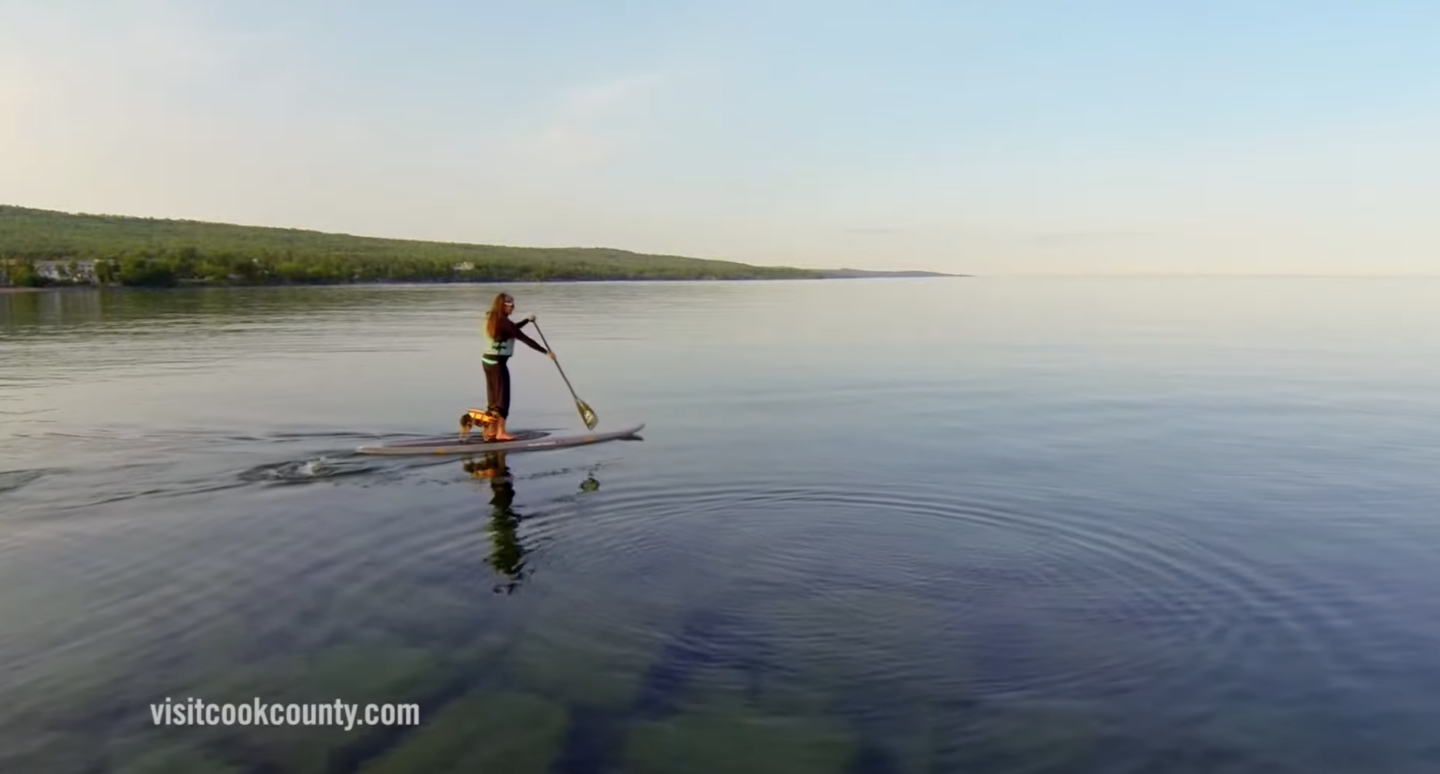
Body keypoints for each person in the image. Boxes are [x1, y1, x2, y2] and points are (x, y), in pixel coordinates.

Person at [481, 292, 553, 441]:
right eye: (510, 306)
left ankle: (491, 431)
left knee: (493, 399)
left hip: (487, 362)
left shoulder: (493, 318)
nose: (513, 308)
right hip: (498, 364)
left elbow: (512, 329)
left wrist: (526, 320)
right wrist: (546, 352)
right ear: (503, 306)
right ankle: (501, 432)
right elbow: (523, 338)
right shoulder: (504, 322)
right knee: (502, 399)